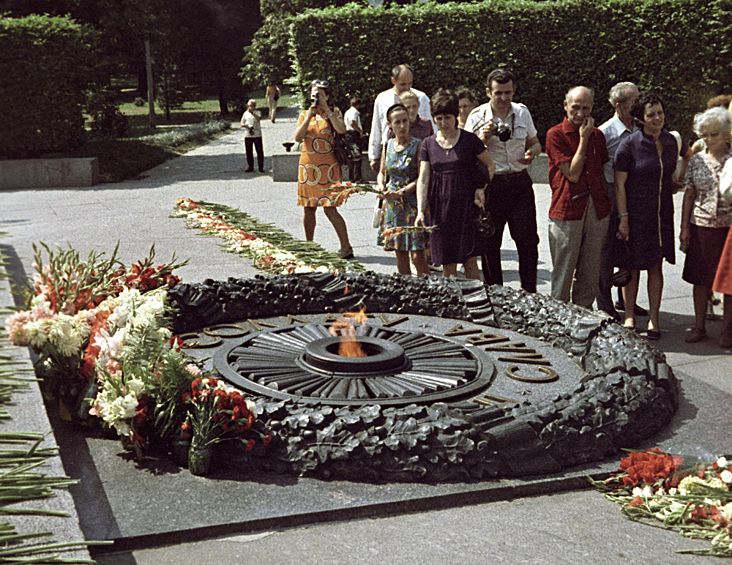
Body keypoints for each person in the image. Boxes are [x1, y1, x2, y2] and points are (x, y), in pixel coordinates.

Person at [614, 90, 691, 339]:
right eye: (651, 114)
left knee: (655, 266)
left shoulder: (671, 141)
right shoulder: (630, 144)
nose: (658, 118)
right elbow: (619, 183)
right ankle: (628, 315)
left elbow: (682, 162)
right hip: (636, 213)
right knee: (633, 266)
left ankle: (654, 319)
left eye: (660, 113)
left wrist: (677, 180)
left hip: (662, 213)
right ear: (641, 118)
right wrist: (624, 218)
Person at [465, 68, 542, 292]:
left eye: (508, 92)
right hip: (492, 184)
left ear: (514, 90)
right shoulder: (477, 116)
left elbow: (536, 142)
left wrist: (533, 153)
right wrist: (482, 139)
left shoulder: (522, 112)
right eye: (498, 93)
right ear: (488, 92)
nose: (504, 98)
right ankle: (496, 294)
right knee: (490, 242)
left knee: (528, 241)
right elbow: (467, 154)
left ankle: (530, 293)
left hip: (519, 182)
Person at [415, 89, 495, 279]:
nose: (443, 123)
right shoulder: (428, 144)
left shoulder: (470, 140)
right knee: (447, 262)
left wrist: (481, 189)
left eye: (448, 118)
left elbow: (490, 165)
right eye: (439, 118)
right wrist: (420, 210)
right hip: (440, 209)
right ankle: (450, 302)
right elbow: (423, 178)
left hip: (467, 208)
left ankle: (477, 302)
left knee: (470, 261)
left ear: (456, 116)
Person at [545, 86, 611, 308]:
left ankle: (584, 318)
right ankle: (558, 319)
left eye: (586, 108)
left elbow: (600, 171)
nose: (581, 113)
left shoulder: (598, 135)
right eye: (576, 107)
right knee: (563, 273)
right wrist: (583, 139)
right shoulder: (555, 134)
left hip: (595, 208)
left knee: (590, 272)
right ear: (566, 106)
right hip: (567, 209)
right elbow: (572, 174)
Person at [679, 106, 732, 344]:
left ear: (727, 133)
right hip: (701, 227)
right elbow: (689, 196)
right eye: (706, 135)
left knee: (729, 282)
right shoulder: (697, 160)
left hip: (729, 230)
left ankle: (727, 331)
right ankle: (699, 327)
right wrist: (684, 228)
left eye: (715, 134)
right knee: (701, 280)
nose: (710, 139)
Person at [596, 82, 644, 320]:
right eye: (634, 101)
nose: (640, 104)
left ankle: (627, 300)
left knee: (630, 246)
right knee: (605, 248)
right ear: (620, 106)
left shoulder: (639, 127)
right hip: (610, 192)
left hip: (633, 192)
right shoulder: (606, 132)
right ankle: (604, 303)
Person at [294, 79, 353, 259]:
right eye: (313, 94)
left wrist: (327, 110)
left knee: (330, 208)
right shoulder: (305, 114)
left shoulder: (334, 112)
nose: (316, 97)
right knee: (308, 208)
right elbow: (297, 137)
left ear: (327, 96)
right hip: (308, 167)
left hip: (329, 167)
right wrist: (310, 116)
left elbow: (341, 130)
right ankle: (309, 246)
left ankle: (346, 246)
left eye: (320, 94)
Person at [377, 104, 429, 276]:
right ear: (390, 124)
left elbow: (422, 177)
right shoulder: (389, 145)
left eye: (405, 121)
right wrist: (380, 185)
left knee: (417, 255)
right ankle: (406, 290)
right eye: (397, 122)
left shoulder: (418, 145)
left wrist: (402, 192)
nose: (402, 126)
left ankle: (430, 290)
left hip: (412, 203)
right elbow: (382, 172)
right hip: (393, 205)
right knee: (400, 253)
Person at [368, 64, 432, 173]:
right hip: (390, 154)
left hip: (417, 156)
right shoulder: (382, 98)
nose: (407, 87)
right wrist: (373, 156)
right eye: (402, 84)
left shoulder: (422, 98)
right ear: (393, 80)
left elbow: (431, 129)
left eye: (410, 83)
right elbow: (376, 128)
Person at [240, 99, 264, 173]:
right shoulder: (245, 114)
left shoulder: (258, 112)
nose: (250, 107)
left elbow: (259, 119)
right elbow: (242, 123)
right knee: (249, 152)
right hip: (248, 135)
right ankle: (250, 166)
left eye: (252, 106)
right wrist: (246, 125)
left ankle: (261, 167)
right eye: (249, 106)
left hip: (257, 134)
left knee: (259, 151)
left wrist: (253, 113)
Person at [344, 96, 365, 182]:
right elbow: (352, 123)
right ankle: (357, 178)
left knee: (352, 156)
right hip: (353, 134)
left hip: (348, 134)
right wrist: (360, 131)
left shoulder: (347, 112)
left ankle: (351, 177)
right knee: (357, 155)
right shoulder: (354, 112)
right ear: (358, 105)